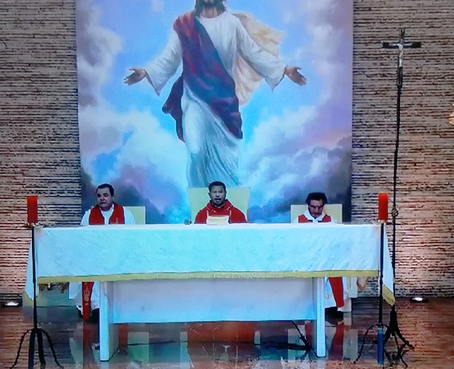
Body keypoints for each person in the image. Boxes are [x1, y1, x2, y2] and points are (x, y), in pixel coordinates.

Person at [124, 0, 307, 188]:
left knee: (226, 161)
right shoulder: (184, 24)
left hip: (224, 102)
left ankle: (226, 200)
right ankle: (198, 199)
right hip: (194, 98)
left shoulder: (231, 23)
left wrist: (284, 69)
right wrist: (146, 72)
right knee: (195, 150)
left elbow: (254, 52)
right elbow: (169, 56)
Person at [69, 184, 134, 320]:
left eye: (105, 195)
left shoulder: (125, 214)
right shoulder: (89, 215)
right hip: (95, 258)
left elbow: (131, 237)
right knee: (93, 274)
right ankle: (96, 307)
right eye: (99, 196)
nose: (102, 198)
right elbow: (83, 238)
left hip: (117, 257)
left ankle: (116, 307)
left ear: (112, 197)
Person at [293, 192, 347, 316]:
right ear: (308, 205)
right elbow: (295, 243)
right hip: (306, 258)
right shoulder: (298, 221)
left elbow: (337, 242)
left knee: (335, 271)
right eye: (313, 207)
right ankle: (303, 306)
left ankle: (332, 306)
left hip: (326, 257)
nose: (317, 211)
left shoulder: (331, 221)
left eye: (319, 207)